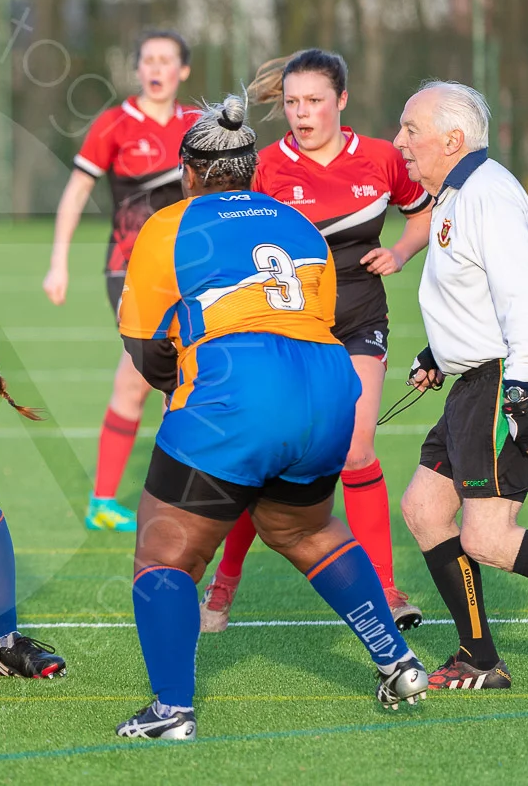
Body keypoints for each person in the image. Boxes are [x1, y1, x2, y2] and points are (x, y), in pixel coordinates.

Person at [112, 94, 427, 741]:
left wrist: (195, 401)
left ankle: (172, 710)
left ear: (188, 171)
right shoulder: (297, 225)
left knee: (164, 548)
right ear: (254, 171)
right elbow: (318, 319)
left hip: (238, 390)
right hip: (327, 389)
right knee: (305, 529)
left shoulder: (169, 225)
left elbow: (145, 348)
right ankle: (398, 661)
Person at [198, 49, 434, 633]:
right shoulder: (268, 166)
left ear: (341, 101)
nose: (302, 115)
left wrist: (400, 252)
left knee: (356, 451)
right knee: (271, 462)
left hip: (358, 319)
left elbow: (424, 213)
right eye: (293, 103)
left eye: (315, 102)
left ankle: (384, 589)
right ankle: (222, 590)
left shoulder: (380, 158)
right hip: (285, 328)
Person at [394, 82, 528, 691]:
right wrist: (437, 352)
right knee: (425, 508)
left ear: (452, 139)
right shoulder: (452, 194)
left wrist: (522, 391)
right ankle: (479, 657)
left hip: (507, 374)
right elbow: (471, 295)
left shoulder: (487, 193)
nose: (400, 142)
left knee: (487, 536)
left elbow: (523, 295)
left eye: (410, 129)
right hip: (478, 376)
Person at [43, 29, 201, 532]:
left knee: (165, 379)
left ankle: (135, 497)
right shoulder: (113, 124)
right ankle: (126, 500)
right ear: (137, 69)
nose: (156, 68)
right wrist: (58, 261)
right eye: (148, 59)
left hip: (194, 269)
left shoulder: (199, 126)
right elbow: (75, 193)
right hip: (130, 270)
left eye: (166, 60)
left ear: (184, 71)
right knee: (154, 374)